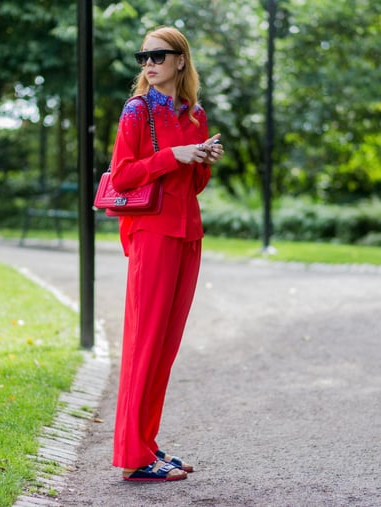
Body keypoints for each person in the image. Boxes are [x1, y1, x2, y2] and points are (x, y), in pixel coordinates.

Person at [108, 25, 224, 482]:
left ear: (180, 60)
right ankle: (134, 458)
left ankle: (148, 447)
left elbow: (191, 185)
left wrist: (201, 162)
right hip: (152, 236)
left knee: (165, 348)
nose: (149, 63)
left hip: (186, 234)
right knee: (144, 345)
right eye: (144, 57)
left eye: (158, 55)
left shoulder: (194, 114)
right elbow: (122, 176)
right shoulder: (138, 112)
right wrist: (174, 156)